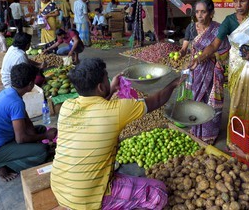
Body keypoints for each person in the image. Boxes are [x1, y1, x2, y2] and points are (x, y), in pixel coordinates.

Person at [51, 58, 185, 210]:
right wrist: (173, 83)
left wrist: (112, 89)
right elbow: (158, 99)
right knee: (158, 192)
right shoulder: (117, 110)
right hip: (87, 198)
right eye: (106, 78)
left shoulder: (67, 107)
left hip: (59, 187)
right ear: (101, 87)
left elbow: (96, 106)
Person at [191, 0, 249, 143]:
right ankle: (236, 140)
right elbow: (215, 45)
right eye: (235, 1)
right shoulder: (228, 21)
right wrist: (199, 58)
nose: (238, 5)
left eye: (242, 1)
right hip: (237, 67)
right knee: (236, 103)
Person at [0, 63, 57, 182]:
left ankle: (5, 158)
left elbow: (26, 122)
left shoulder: (9, 93)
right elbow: (21, 139)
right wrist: (45, 136)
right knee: (41, 151)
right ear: (30, 84)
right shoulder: (15, 103)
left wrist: (40, 135)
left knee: (40, 129)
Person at [180, 0, 230, 144]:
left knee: (211, 101)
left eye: (203, 12)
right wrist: (181, 53)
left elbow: (225, 52)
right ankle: (196, 130)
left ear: (211, 13)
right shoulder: (191, 28)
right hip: (196, 70)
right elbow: (185, 47)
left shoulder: (218, 29)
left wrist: (209, 58)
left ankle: (209, 134)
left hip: (213, 71)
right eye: (197, 12)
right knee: (197, 99)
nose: (200, 15)